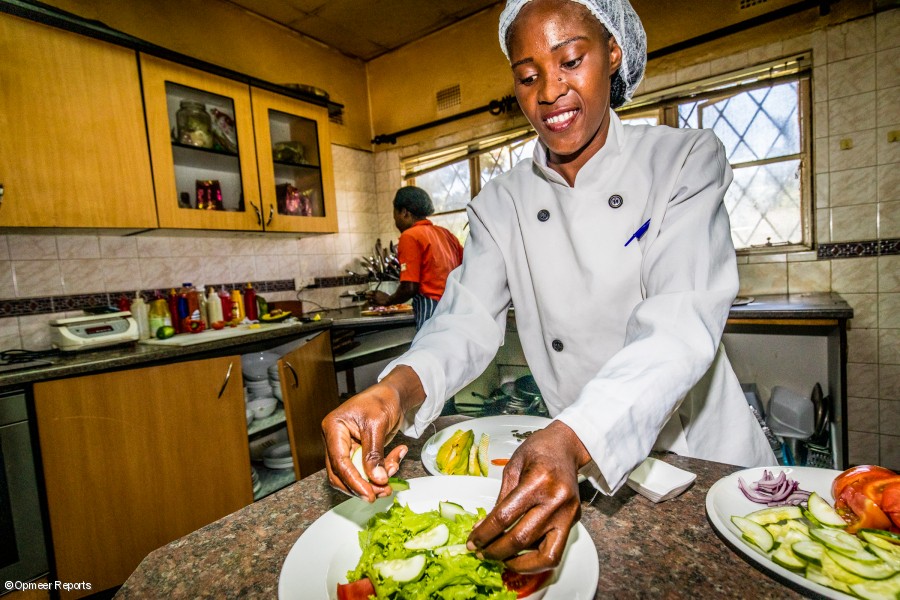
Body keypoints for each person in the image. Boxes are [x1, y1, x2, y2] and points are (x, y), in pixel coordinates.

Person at [322, 0, 776, 575]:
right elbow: (465, 320)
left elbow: (680, 323)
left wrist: (573, 435)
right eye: (529, 75)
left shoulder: (683, 159)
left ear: (612, 53)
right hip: (580, 473)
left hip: (699, 459)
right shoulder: (501, 202)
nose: (550, 91)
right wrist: (393, 393)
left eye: (571, 60)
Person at [366, 186, 464, 330]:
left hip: (432, 308)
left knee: (431, 351)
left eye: (395, 215)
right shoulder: (446, 234)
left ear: (404, 212)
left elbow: (410, 287)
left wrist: (387, 300)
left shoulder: (410, 236)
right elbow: (466, 267)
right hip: (456, 306)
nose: (395, 221)